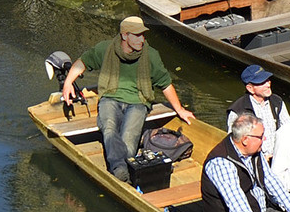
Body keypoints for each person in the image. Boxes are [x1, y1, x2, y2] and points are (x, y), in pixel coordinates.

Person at [60, 15, 192, 181]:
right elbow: (83, 62)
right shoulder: (105, 49)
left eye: (143, 35)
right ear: (124, 35)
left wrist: (179, 109)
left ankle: (123, 168)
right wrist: (68, 83)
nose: (141, 39)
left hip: (138, 101)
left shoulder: (151, 55)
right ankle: (120, 168)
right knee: (108, 127)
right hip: (110, 98)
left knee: (129, 136)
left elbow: (165, 84)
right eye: (136, 35)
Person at [226, 63, 288, 154]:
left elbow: (288, 129)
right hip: (255, 159)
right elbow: (234, 144)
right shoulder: (238, 111)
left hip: (278, 156)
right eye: (262, 82)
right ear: (250, 88)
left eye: (267, 80)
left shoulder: (277, 102)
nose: (268, 84)